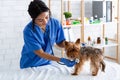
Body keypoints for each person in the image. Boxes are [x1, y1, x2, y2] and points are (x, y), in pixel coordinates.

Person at [20, 0, 76, 69]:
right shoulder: (28, 31)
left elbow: (60, 42)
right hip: (30, 64)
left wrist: (69, 45)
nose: (45, 22)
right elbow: (41, 53)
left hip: (47, 63)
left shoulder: (55, 23)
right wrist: (61, 60)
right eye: (40, 20)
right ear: (33, 18)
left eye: (47, 17)